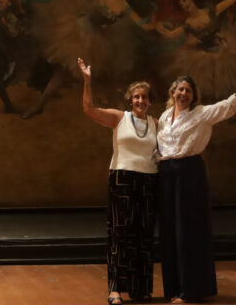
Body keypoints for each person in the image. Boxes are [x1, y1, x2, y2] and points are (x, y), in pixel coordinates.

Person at [157, 64, 236, 304]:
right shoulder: (163, 117)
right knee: (169, 232)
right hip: (166, 175)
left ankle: (191, 290)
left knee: (188, 231)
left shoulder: (202, 113)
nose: (183, 94)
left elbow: (230, 104)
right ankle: (173, 288)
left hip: (189, 173)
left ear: (194, 96)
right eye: (180, 89)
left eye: (188, 91)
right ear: (173, 92)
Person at [77, 58, 157, 305]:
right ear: (130, 100)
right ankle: (115, 289)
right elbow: (89, 109)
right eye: (136, 97)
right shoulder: (119, 118)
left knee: (143, 235)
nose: (140, 100)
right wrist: (87, 81)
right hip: (122, 179)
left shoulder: (156, 123)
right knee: (120, 234)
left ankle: (140, 288)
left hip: (149, 181)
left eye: (144, 97)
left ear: (150, 101)